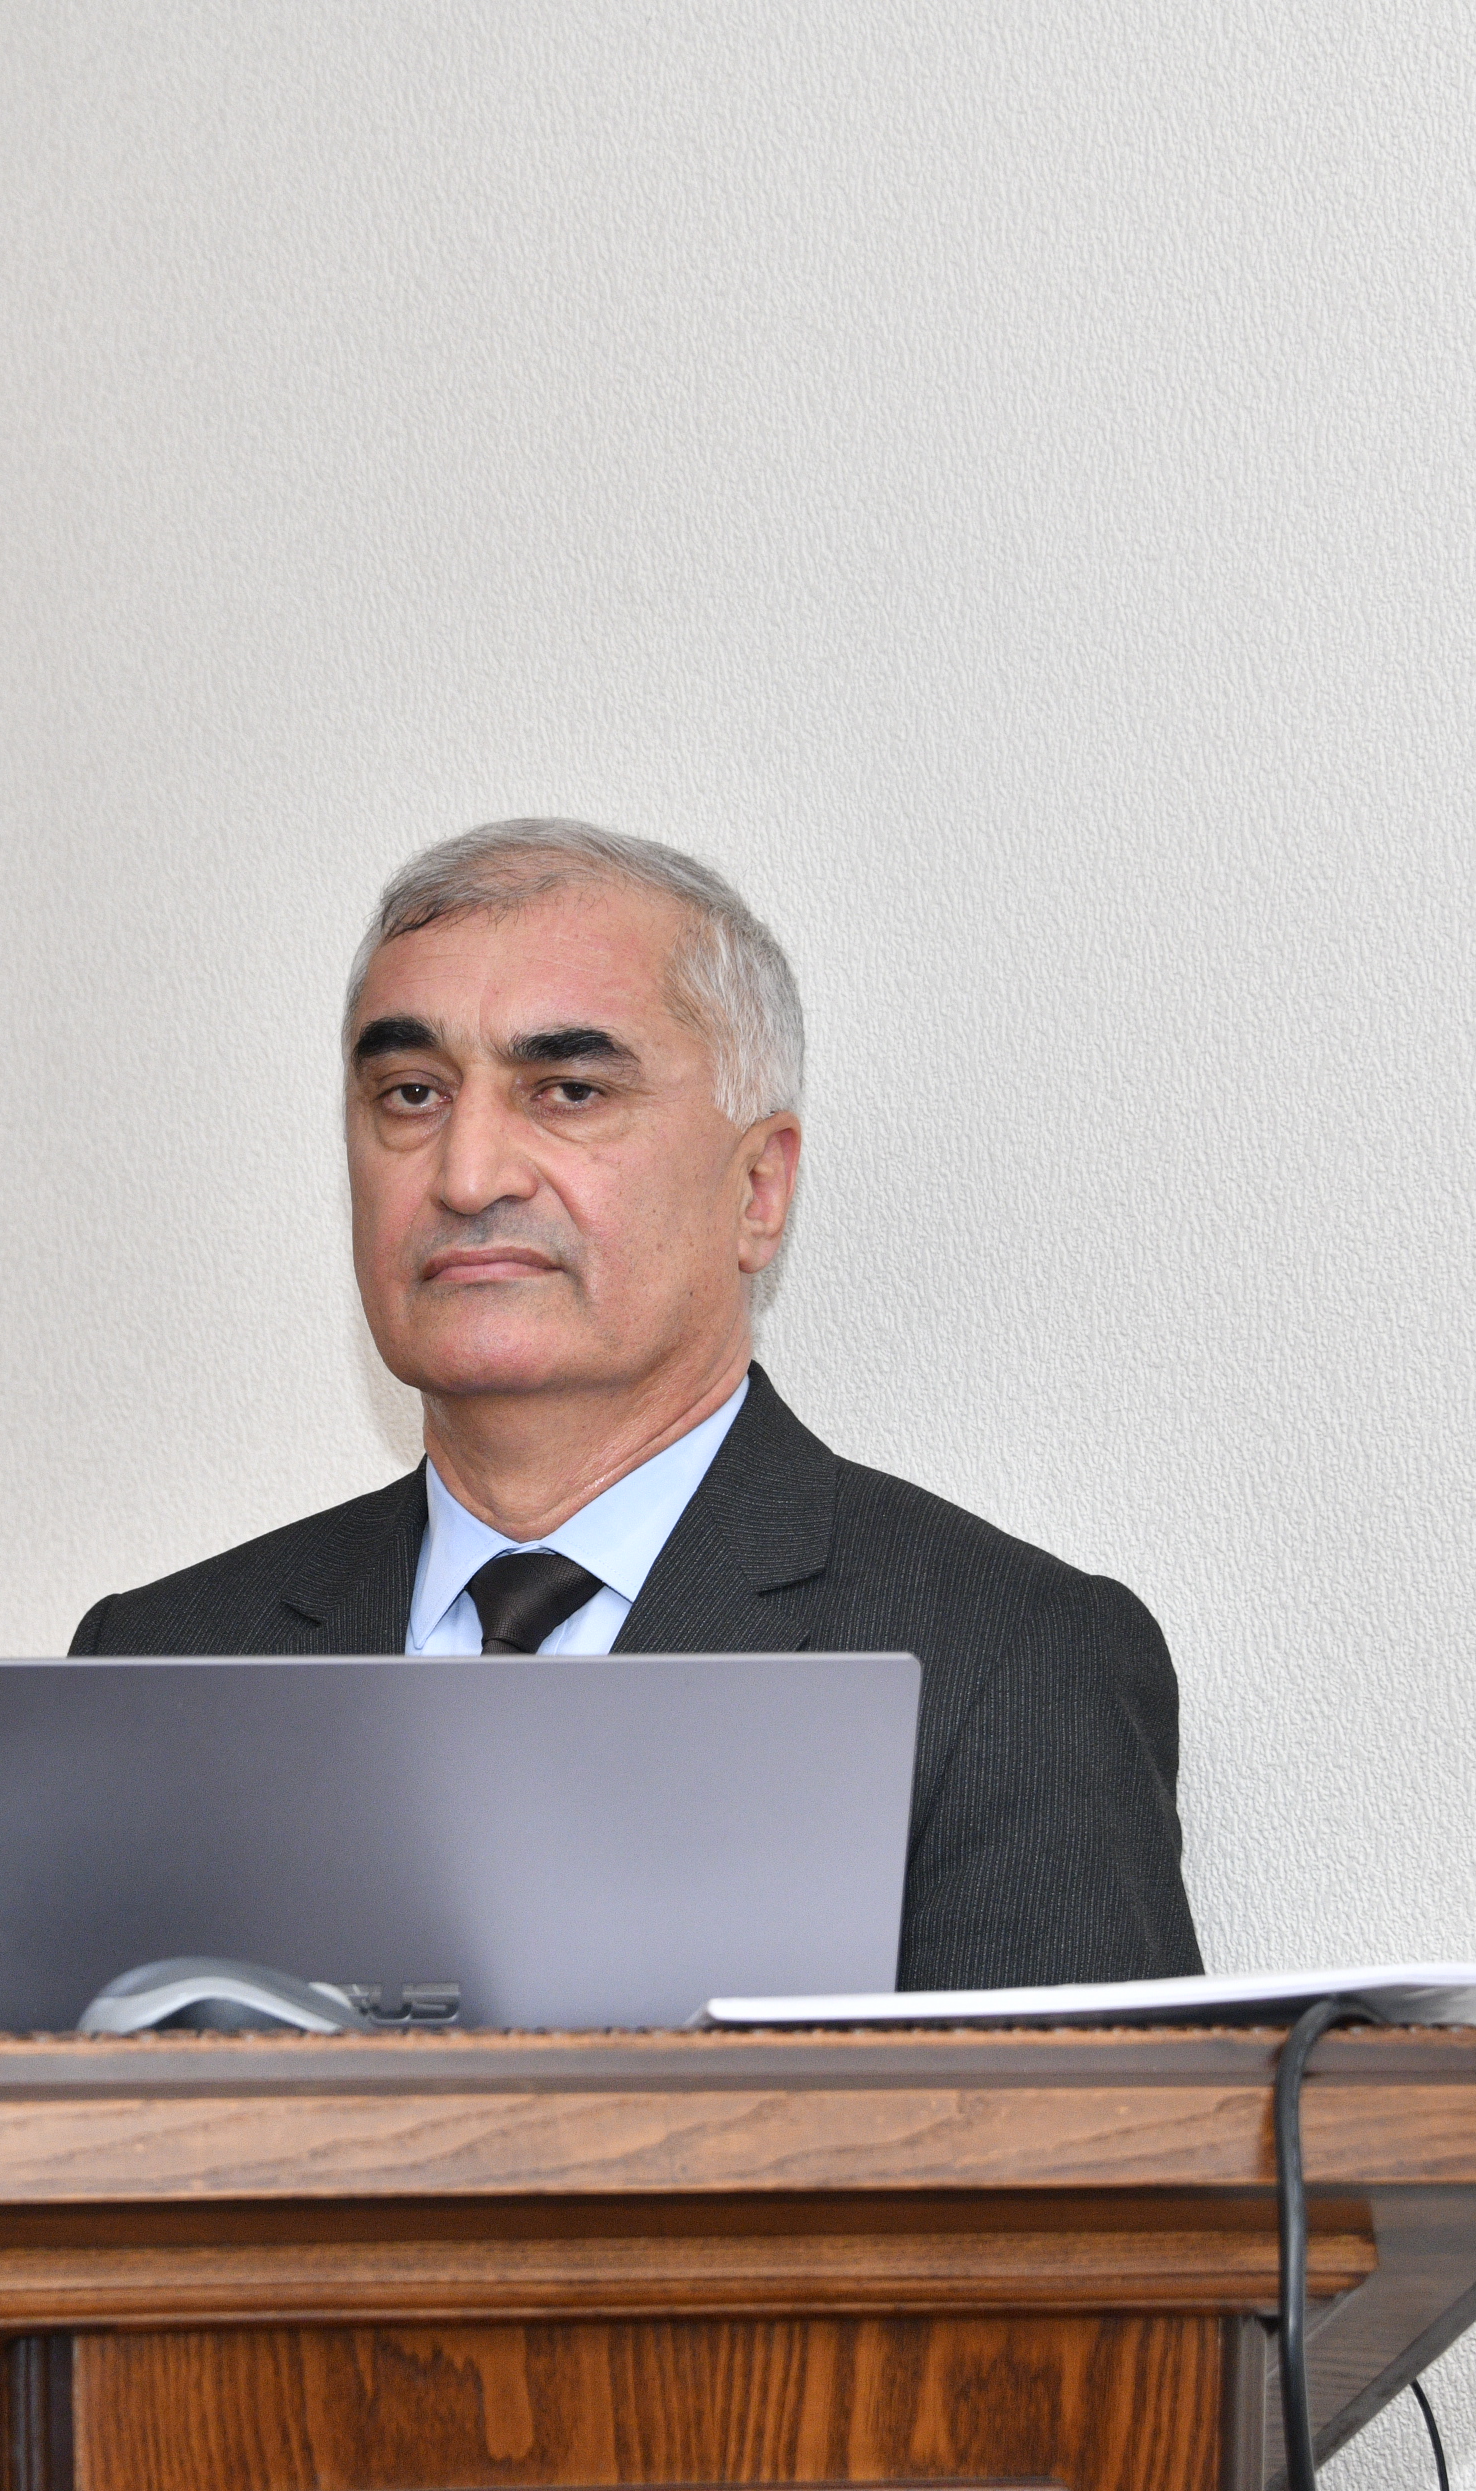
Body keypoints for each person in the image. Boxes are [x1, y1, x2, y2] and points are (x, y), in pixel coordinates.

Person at [69, 819, 1200, 1991]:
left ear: (758, 1190)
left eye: (567, 1090)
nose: (467, 1174)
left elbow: (1068, 2121)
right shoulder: (154, 1667)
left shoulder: (1003, 1664)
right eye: (411, 1093)